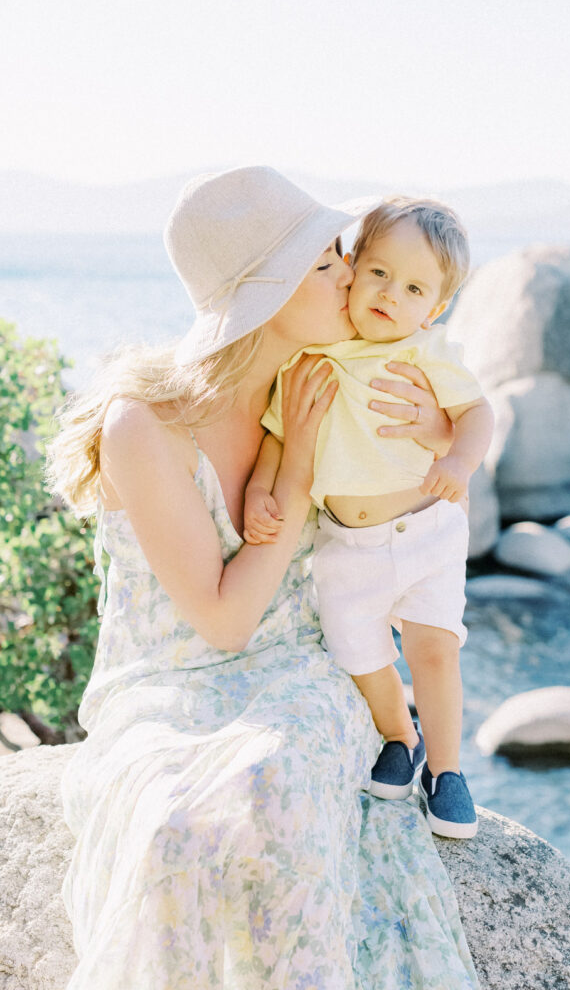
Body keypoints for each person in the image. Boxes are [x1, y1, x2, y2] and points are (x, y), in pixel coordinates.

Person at [48, 167, 480, 989]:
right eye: (325, 263)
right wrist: (298, 463)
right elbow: (223, 623)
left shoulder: (324, 375)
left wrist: (437, 431)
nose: (352, 274)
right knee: (177, 825)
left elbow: (429, 491)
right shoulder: (148, 423)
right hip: (173, 680)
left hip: (300, 664)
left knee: (272, 781)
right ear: (266, 290)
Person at [243, 197, 493, 840]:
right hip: (346, 543)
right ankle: (397, 736)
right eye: (379, 272)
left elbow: (477, 415)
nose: (389, 295)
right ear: (351, 266)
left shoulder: (425, 350)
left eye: (413, 288)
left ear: (434, 307)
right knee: (359, 649)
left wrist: (460, 463)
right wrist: (258, 494)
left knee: (435, 647)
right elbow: (276, 435)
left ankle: (448, 771)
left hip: (427, 528)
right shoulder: (312, 356)